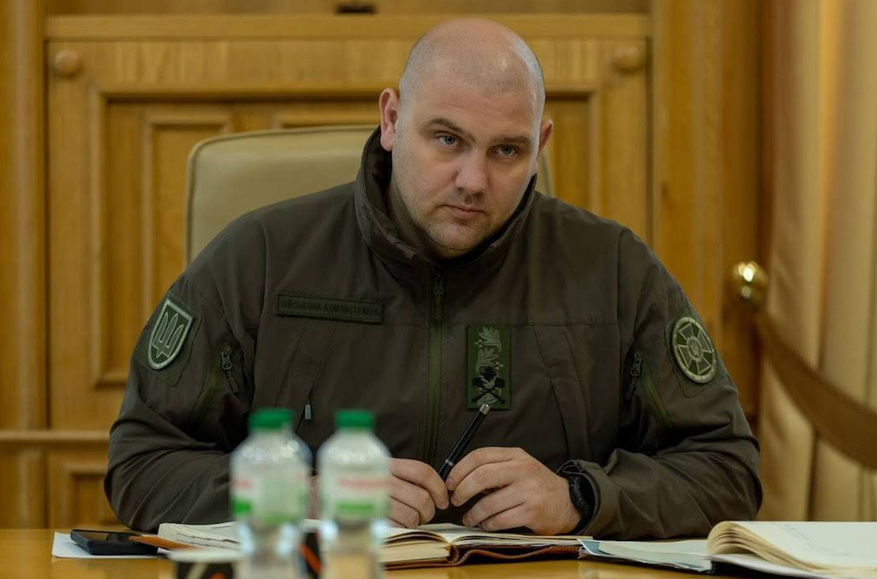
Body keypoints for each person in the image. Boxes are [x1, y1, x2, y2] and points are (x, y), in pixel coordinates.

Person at [105, 18, 761, 539]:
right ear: (392, 121)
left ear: (540, 146)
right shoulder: (261, 256)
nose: (473, 180)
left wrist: (582, 497)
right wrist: (300, 496)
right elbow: (142, 463)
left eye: (506, 150)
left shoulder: (612, 268)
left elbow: (726, 469)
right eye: (447, 139)